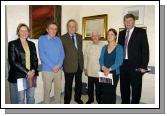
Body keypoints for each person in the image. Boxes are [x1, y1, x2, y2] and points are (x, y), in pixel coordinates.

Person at [118, 14, 149, 104]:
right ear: (124, 22)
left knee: (136, 88)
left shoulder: (141, 32)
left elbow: (145, 50)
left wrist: (144, 66)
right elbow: (119, 49)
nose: (128, 22)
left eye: (130, 20)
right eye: (126, 21)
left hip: (136, 65)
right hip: (123, 64)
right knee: (124, 87)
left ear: (134, 21)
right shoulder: (121, 33)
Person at [8, 23, 38, 104]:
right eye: (22, 30)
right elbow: (13, 61)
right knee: (20, 99)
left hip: (31, 75)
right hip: (19, 75)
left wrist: (33, 71)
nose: (24, 32)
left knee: (31, 97)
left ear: (28, 32)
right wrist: (27, 72)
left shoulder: (32, 44)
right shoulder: (12, 44)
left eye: (26, 31)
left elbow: (35, 59)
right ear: (18, 32)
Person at [38, 22, 65, 104]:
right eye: (51, 28)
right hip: (47, 70)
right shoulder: (42, 39)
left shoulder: (58, 39)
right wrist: (53, 66)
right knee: (47, 90)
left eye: (55, 29)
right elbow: (42, 54)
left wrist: (59, 65)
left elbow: (62, 53)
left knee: (58, 90)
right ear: (47, 30)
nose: (53, 31)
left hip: (58, 69)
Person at [61, 19, 84, 104]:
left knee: (79, 83)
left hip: (79, 65)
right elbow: (61, 53)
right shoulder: (62, 38)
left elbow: (80, 51)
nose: (72, 27)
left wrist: (83, 64)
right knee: (68, 85)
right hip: (68, 65)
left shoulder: (79, 37)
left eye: (73, 26)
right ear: (67, 27)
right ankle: (67, 101)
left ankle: (77, 98)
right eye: (70, 26)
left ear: (76, 27)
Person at [99, 28, 123, 104]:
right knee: (104, 91)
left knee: (111, 92)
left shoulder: (119, 47)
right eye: (108, 34)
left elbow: (119, 62)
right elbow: (101, 59)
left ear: (115, 36)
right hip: (104, 72)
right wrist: (103, 68)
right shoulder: (104, 47)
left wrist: (108, 69)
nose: (109, 36)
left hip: (113, 73)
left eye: (111, 34)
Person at [84, 31, 104, 104]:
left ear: (99, 37)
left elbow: (105, 58)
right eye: (93, 36)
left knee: (99, 88)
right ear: (91, 37)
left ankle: (99, 100)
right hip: (90, 70)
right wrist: (85, 68)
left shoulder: (103, 46)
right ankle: (90, 99)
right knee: (90, 87)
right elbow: (85, 57)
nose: (95, 37)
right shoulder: (88, 45)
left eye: (96, 35)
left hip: (99, 70)